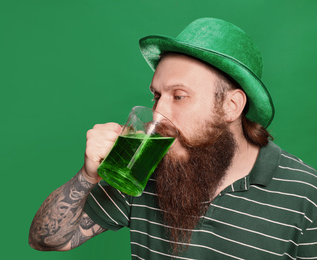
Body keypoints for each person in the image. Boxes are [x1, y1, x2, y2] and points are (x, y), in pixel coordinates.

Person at [28, 18, 317, 259]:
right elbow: (48, 239)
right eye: (156, 95)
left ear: (231, 106)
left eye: (178, 96)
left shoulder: (306, 195)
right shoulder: (144, 169)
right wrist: (87, 176)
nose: (157, 113)